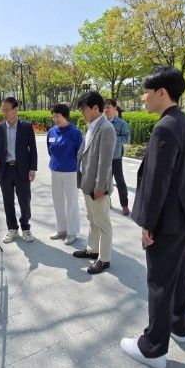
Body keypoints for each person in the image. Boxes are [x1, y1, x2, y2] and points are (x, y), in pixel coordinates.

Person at [120, 66, 185, 368]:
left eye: (146, 92)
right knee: (179, 274)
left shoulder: (165, 128)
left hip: (167, 220)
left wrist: (149, 225)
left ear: (162, 93)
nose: (142, 97)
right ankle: (178, 325)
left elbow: (157, 182)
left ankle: (153, 348)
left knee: (159, 280)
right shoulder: (183, 121)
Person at [73, 91, 116, 274]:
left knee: (103, 223)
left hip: (98, 186)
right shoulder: (92, 125)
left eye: (84, 108)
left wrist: (100, 186)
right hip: (87, 182)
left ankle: (104, 259)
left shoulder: (106, 128)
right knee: (92, 219)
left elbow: (105, 162)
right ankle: (92, 249)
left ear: (96, 108)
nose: (82, 112)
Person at [0, 96, 38, 243]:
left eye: (7, 109)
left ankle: (26, 228)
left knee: (25, 201)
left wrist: (33, 169)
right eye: (2, 110)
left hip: (22, 169)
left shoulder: (26, 127)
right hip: (5, 170)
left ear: (16, 109)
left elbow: (33, 149)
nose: (4, 112)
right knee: (8, 201)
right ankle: (12, 228)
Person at [47, 103, 83, 245]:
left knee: (71, 203)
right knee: (58, 201)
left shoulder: (74, 132)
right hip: (55, 171)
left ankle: (72, 232)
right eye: (54, 116)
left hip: (70, 172)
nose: (55, 119)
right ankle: (61, 229)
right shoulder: (51, 131)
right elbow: (50, 150)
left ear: (65, 116)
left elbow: (80, 153)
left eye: (58, 116)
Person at [103, 99, 131, 216]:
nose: (106, 110)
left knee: (120, 182)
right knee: (104, 182)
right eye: (104, 107)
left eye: (108, 107)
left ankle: (124, 205)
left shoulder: (121, 124)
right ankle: (106, 202)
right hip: (103, 158)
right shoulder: (101, 122)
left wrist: (114, 139)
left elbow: (127, 138)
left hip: (115, 158)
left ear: (115, 109)